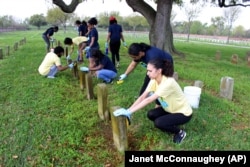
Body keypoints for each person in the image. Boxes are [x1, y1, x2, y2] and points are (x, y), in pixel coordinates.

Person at [113, 58, 192, 144]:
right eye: (147, 70)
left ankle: (180, 132)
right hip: (170, 110)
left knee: (159, 123)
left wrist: (129, 112)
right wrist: (128, 110)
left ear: (159, 71)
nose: (147, 73)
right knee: (151, 114)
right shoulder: (154, 80)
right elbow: (143, 97)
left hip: (183, 113)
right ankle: (170, 122)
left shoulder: (168, 82)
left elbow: (149, 99)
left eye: (150, 71)